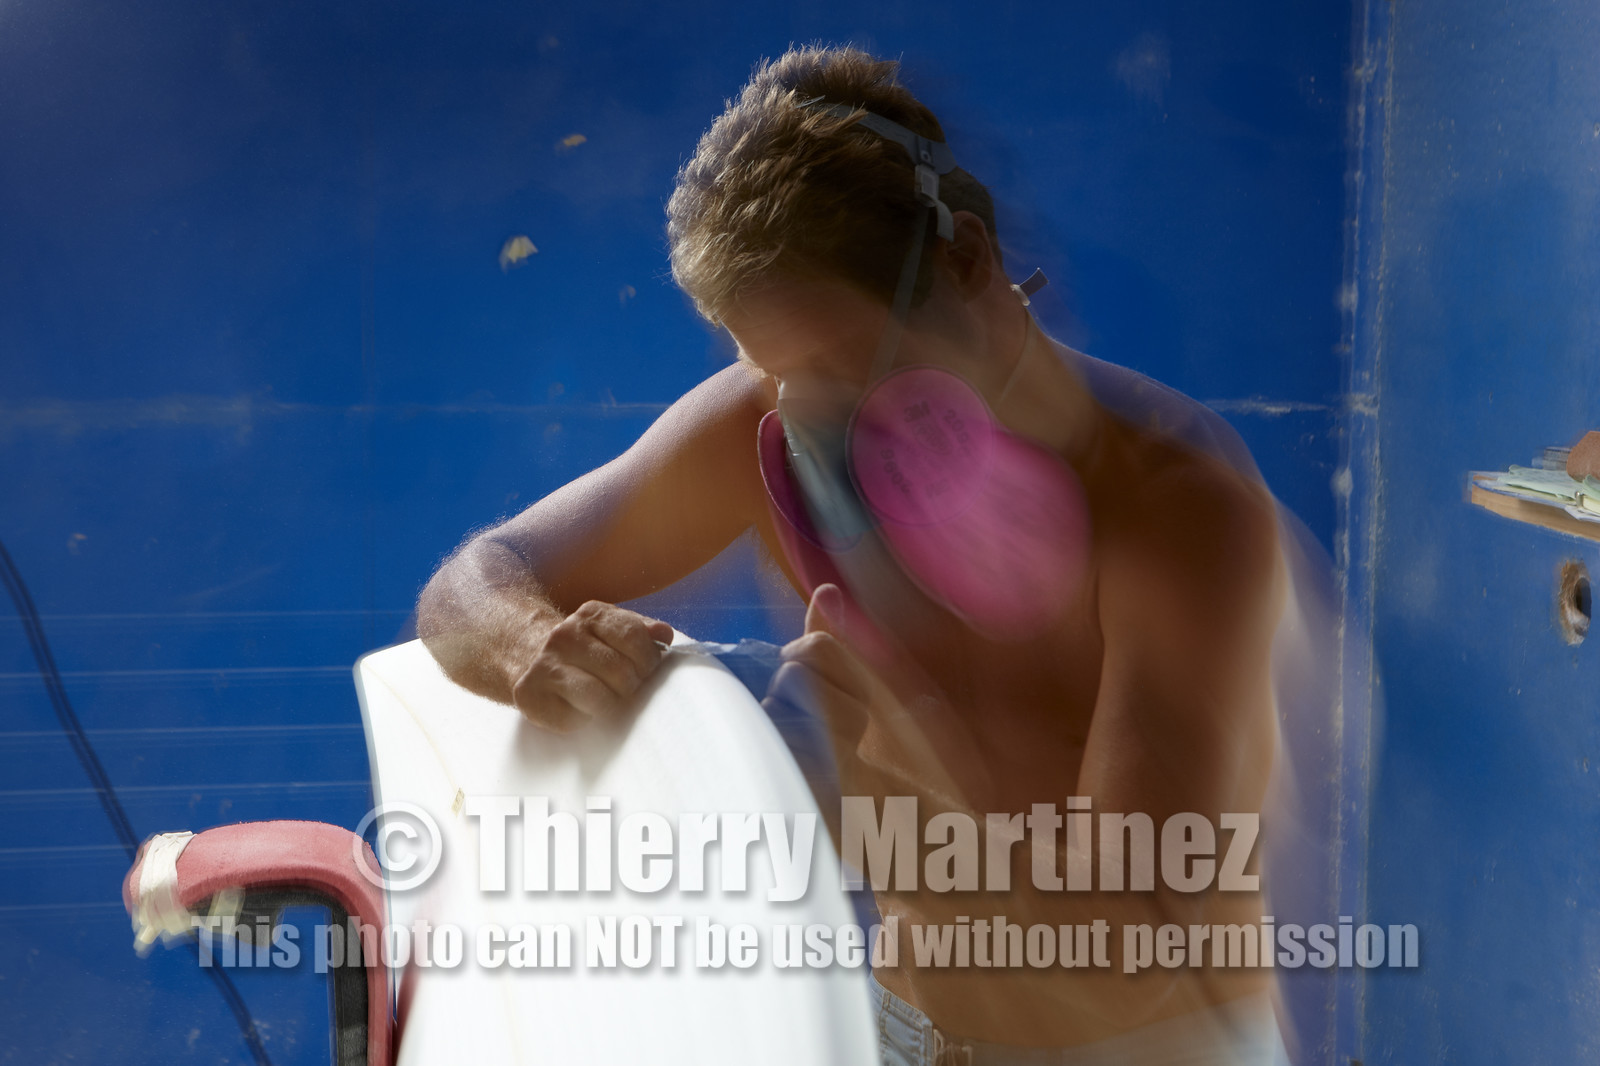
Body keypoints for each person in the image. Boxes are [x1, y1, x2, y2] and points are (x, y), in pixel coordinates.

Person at [418, 45, 1295, 1064]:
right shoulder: (772, 424)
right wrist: (538, 649)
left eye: (846, 365)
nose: (828, 428)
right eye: (780, 374)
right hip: (901, 1031)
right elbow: (473, 584)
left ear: (965, 261)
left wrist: (889, 790)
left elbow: (1127, 954)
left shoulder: (1175, 505)